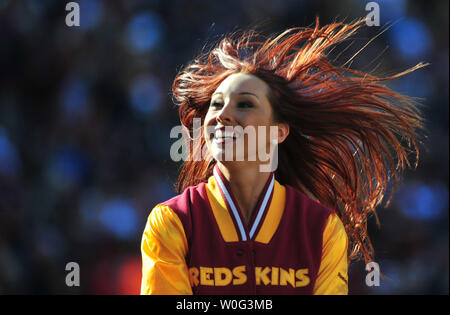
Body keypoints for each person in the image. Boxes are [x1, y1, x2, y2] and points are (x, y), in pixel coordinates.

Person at [140, 18, 426, 295]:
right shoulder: (172, 221)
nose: (222, 115)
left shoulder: (321, 229)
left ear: (278, 132)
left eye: (244, 104)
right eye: (217, 104)